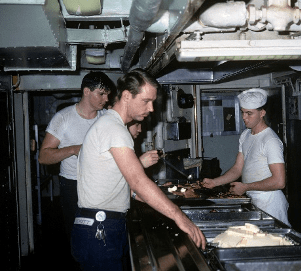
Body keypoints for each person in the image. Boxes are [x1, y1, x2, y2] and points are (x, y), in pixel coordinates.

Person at [71, 69, 206, 271]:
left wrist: (165, 200)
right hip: (101, 229)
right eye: (146, 101)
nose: (151, 108)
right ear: (126, 96)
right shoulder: (114, 129)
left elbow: (128, 187)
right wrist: (179, 216)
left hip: (99, 226)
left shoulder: (110, 125)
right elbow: (138, 182)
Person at [38, 71, 113, 240]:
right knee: (78, 234)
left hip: (102, 183)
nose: (106, 99)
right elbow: (43, 156)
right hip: (73, 185)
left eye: (107, 95)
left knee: (102, 233)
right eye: (101, 94)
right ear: (86, 91)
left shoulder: (107, 118)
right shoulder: (63, 118)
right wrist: (73, 149)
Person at [203, 88, 291, 227]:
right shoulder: (245, 135)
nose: (244, 117)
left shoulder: (270, 140)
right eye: (243, 112)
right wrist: (215, 182)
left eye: (249, 113)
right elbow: (238, 169)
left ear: (262, 113)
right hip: (253, 200)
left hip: (270, 204)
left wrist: (245, 186)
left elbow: (279, 181)